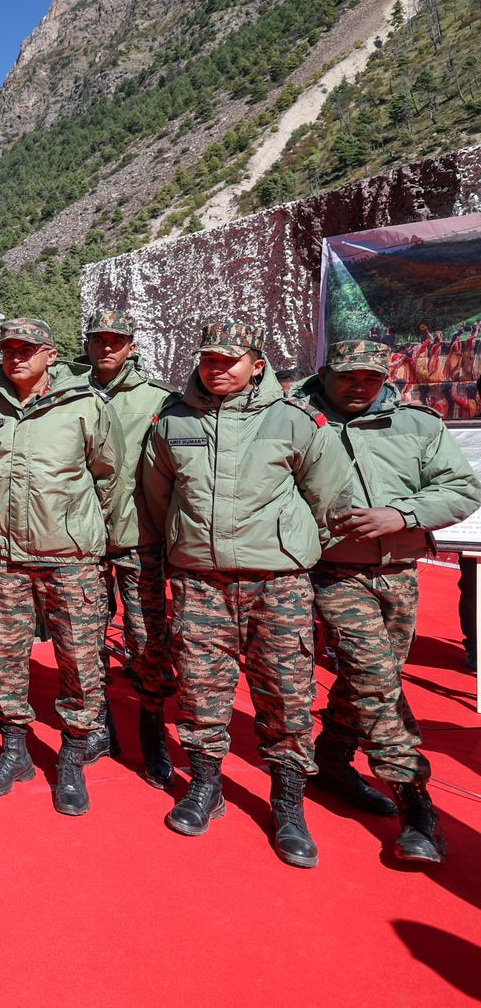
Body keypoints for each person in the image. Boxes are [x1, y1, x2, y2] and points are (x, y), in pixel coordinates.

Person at [142, 321, 353, 868]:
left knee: (286, 694)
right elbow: (158, 495)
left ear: (257, 365)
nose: (216, 368)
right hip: (200, 581)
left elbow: (328, 497)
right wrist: (187, 541)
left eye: (229, 359)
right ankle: (205, 785)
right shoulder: (173, 421)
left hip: (275, 582)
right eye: (208, 359)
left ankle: (288, 804)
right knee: (200, 690)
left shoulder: (296, 421)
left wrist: (287, 546)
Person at [299, 340, 481, 864]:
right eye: (347, 376)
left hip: (400, 571)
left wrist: (402, 514)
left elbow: (462, 489)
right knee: (376, 680)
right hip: (333, 571)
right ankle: (416, 806)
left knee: (371, 678)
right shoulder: (297, 423)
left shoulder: (418, 426)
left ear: (385, 379)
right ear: (326, 373)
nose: (358, 386)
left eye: (370, 378)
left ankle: (332, 760)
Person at [0, 318, 118, 815]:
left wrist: (84, 536)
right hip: (6, 559)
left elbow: (109, 478)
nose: (15, 357)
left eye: (26, 349)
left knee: (80, 661)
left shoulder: (85, 404)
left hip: (69, 560)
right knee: (4, 659)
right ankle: (15, 751)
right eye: (8, 349)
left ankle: (72, 756)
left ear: (50, 354)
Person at [84, 309, 178, 785]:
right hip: (82, 541)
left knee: (148, 642)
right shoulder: (69, 394)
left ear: (132, 346)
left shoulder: (159, 399)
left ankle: (153, 729)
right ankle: (100, 726)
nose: (106, 347)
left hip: (140, 539)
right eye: (98, 339)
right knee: (85, 639)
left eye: (116, 340)